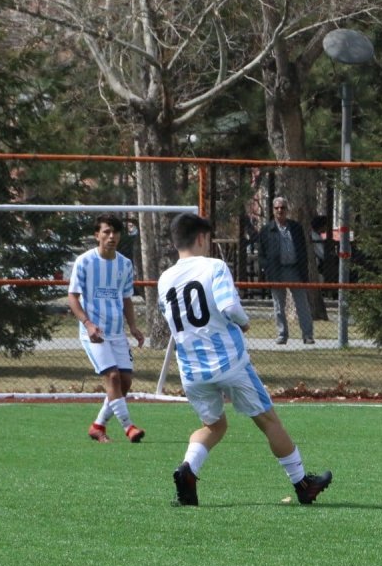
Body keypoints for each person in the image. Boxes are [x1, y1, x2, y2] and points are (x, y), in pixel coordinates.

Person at [160, 213, 332, 507]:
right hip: (230, 362)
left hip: (191, 369)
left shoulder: (164, 279)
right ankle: (303, 483)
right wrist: (244, 321)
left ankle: (188, 469)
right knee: (268, 421)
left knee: (213, 426)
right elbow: (229, 306)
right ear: (202, 238)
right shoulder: (214, 266)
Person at [68, 214, 146, 444]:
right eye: (107, 232)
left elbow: (126, 298)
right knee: (112, 377)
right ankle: (129, 427)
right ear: (97, 235)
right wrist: (88, 324)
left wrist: (133, 326)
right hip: (94, 334)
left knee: (125, 382)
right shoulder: (85, 261)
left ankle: (97, 425)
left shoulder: (124, 264)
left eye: (116, 232)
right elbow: (72, 297)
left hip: (117, 332)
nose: (112, 237)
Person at [257, 196, 314, 345]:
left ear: (287, 210)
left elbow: (303, 249)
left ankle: (307, 335)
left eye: (282, 208)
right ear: (273, 210)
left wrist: (304, 267)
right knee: (278, 306)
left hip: (295, 270)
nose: (280, 210)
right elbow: (261, 254)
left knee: (302, 305)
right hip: (277, 271)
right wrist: (266, 267)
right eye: (277, 208)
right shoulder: (266, 230)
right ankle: (282, 335)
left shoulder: (296, 228)